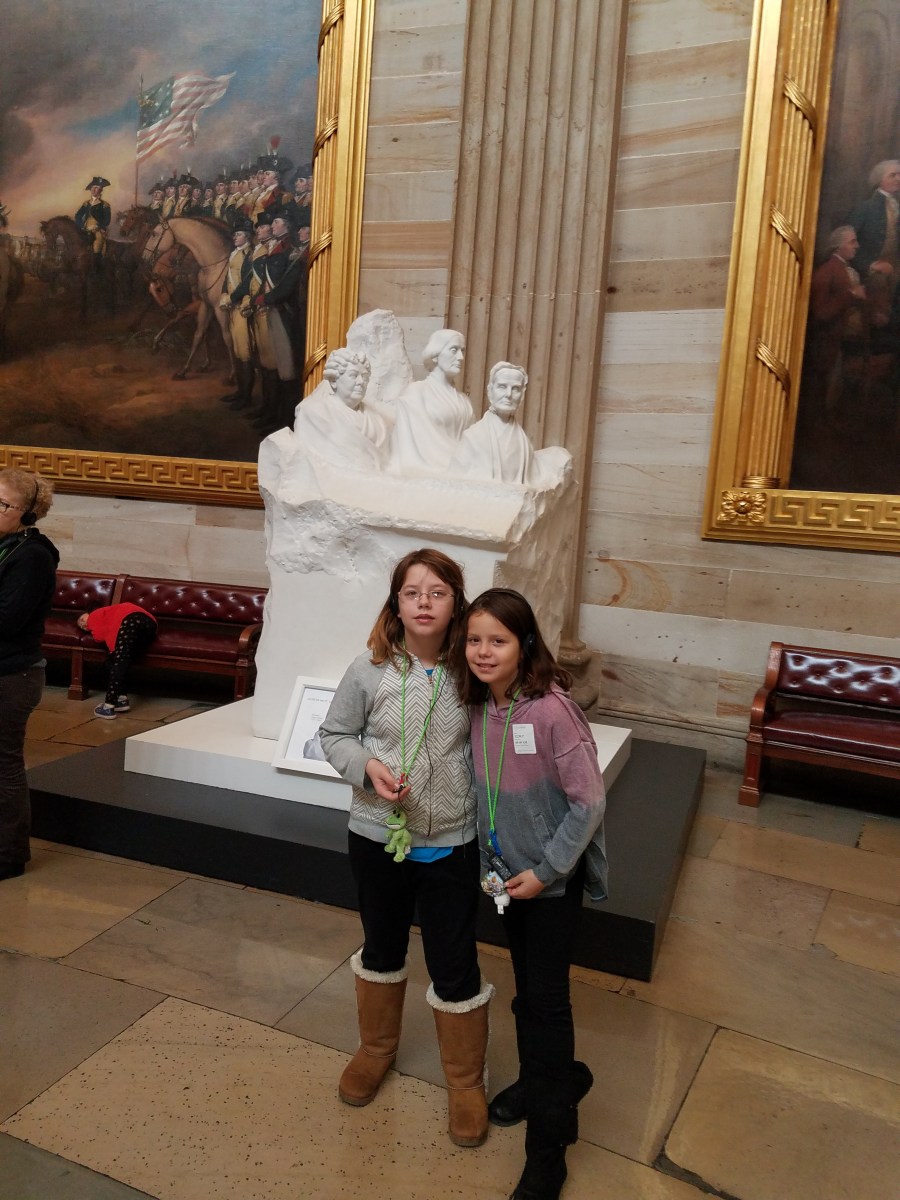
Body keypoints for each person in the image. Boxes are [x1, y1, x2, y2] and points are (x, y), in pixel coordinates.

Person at [318, 548, 493, 1149]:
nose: (424, 602)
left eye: (437, 592)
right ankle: (376, 1049)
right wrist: (366, 766)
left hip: (452, 843)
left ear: (456, 604)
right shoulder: (369, 669)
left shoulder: (474, 670)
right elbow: (333, 734)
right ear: (395, 602)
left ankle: (466, 1082)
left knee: (454, 959)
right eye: (412, 591)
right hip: (376, 837)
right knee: (382, 943)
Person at [457, 587, 607, 1200]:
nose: (484, 652)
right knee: (527, 993)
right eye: (474, 640)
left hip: (547, 882)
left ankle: (549, 1147)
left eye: (498, 640)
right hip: (504, 877)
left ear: (525, 645)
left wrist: (547, 871)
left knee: (545, 1006)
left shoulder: (550, 711)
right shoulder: (477, 705)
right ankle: (549, 1079)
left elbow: (589, 801)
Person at [0, 469, 58, 881]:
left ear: (27, 513)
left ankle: (8, 856)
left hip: (11, 675)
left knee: (4, 766)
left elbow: (10, 618)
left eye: (2, 505)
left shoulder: (33, 555)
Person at [389, 329, 475, 475]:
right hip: (431, 471)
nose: (460, 357)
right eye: (454, 350)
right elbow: (407, 446)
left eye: (463, 351)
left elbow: (471, 444)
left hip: (461, 470)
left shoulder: (464, 401)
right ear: (435, 355)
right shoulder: (416, 393)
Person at [451, 361, 549, 485]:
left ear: (522, 395)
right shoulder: (473, 438)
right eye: (502, 387)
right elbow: (454, 483)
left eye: (515, 389)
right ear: (490, 391)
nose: (508, 394)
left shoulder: (525, 445)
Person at [293, 347, 389, 469]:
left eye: (364, 377)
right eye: (353, 375)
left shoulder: (377, 423)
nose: (361, 382)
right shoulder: (314, 413)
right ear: (334, 381)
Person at [76, 601, 158, 719]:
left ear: (89, 613)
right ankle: (121, 699)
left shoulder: (95, 615)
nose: (83, 624)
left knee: (118, 660)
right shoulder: (109, 614)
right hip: (150, 625)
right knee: (119, 658)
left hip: (130, 620)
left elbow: (99, 637)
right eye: (82, 627)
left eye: (82, 619)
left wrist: (92, 629)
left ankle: (108, 706)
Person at [74, 176, 111, 269]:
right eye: (94, 188)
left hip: (97, 230)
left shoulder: (105, 205)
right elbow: (78, 216)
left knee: (97, 245)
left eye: (98, 188)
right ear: (91, 189)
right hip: (85, 229)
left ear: (101, 190)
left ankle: (96, 267)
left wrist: (99, 227)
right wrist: (81, 226)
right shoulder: (86, 203)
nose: (95, 190)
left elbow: (107, 220)